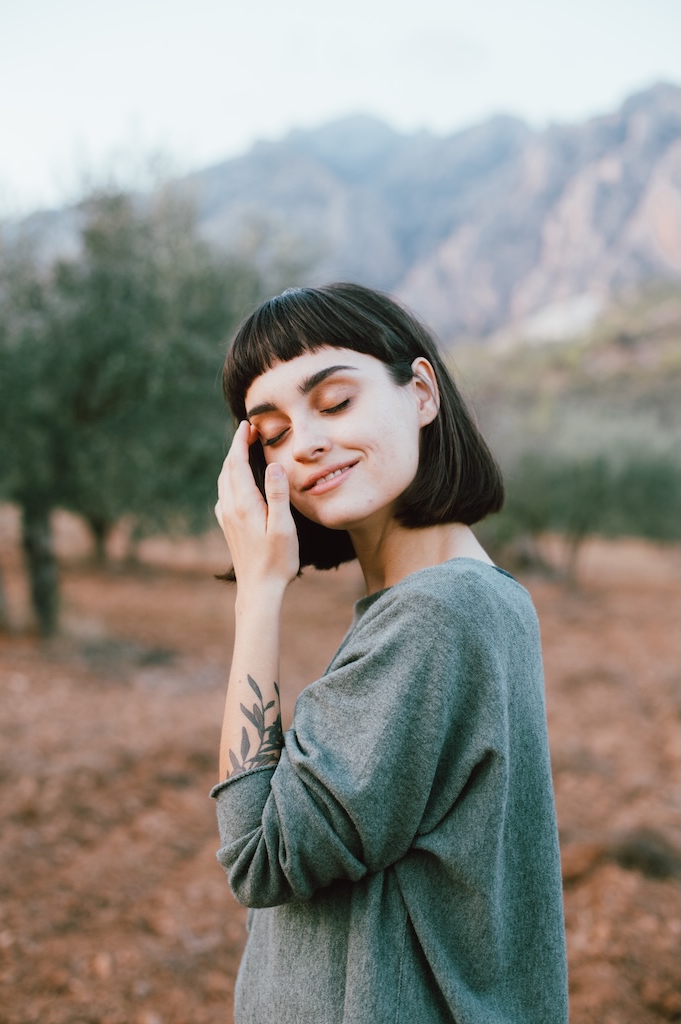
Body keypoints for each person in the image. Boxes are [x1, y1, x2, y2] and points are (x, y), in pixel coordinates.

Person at [211, 283, 568, 1024]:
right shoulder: (456, 598)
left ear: (421, 393)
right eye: (271, 435)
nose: (305, 443)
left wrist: (258, 593)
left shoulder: (435, 616)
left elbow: (259, 855)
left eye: (334, 402)